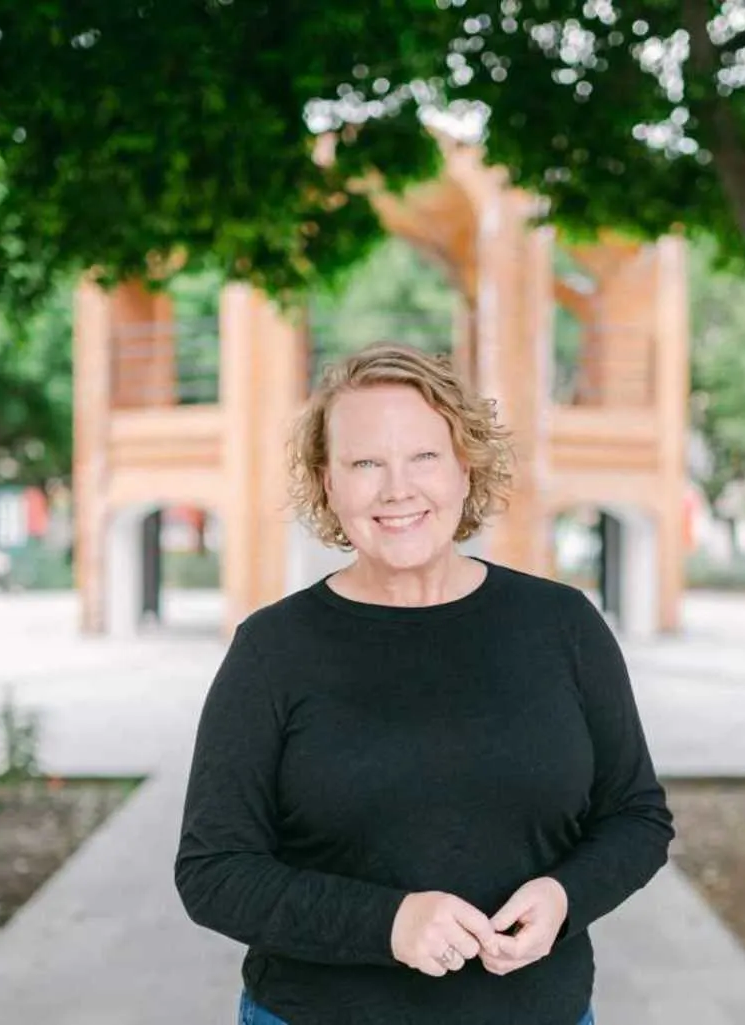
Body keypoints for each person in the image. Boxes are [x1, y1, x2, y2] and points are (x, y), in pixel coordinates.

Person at [175, 343, 674, 1025]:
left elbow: (637, 816)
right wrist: (388, 923)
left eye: (424, 457)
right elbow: (213, 871)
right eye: (365, 464)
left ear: (465, 468)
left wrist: (565, 897)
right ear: (327, 483)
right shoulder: (273, 649)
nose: (397, 489)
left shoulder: (563, 625)